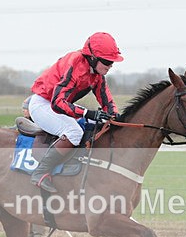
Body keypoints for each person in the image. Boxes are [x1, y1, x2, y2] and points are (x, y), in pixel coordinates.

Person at [28, 32, 124, 192]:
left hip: (58, 104)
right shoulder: (74, 64)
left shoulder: (96, 74)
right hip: (43, 104)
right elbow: (57, 103)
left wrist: (115, 116)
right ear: (92, 57)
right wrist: (88, 113)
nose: (110, 66)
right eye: (107, 61)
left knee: (97, 123)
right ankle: (40, 172)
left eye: (112, 62)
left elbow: (106, 100)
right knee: (74, 132)